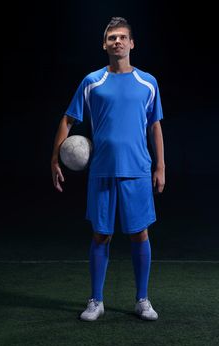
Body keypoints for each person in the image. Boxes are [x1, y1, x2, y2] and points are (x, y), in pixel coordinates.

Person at [51, 17, 165, 321]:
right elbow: (67, 120)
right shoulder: (92, 82)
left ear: (131, 43)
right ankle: (96, 301)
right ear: (104, 44)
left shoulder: (148, 82)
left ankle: (142, 299)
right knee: (101, 234)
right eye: (112, 37)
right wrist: (54, 159)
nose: (117, 41)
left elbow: (155, 126)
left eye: (122, 37)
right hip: (101, 170)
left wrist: (160, 166)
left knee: (140, 234)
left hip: (138, 170)